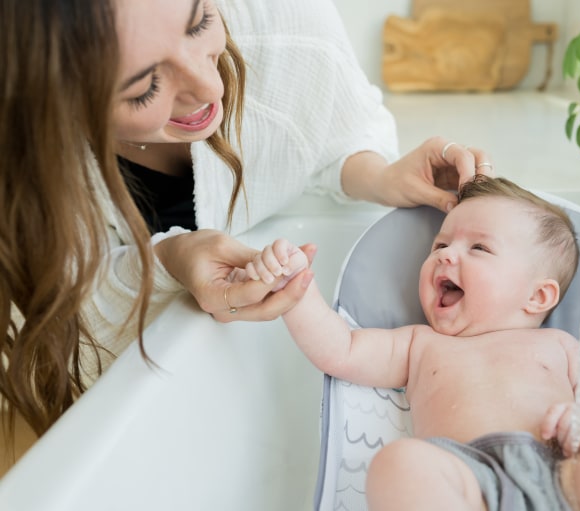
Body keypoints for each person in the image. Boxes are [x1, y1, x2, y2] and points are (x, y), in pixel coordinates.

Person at [0, 0, 490, 467]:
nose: (209, 87)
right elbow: (53, 316)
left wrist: (379, 175)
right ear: (55, 107)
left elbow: (335, 130)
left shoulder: (289, 25)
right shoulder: (21, 163)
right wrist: (170, 255)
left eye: (198, 23)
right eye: (145, 88)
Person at [254, 176, 580, 510]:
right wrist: (295, 292)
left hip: (568, 475)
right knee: (401, 464)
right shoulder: (419, 344)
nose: (446, 254)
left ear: (537, 296)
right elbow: (341, 350)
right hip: (467, 481)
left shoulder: (561, 346)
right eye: (440, 244)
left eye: (479, 249)